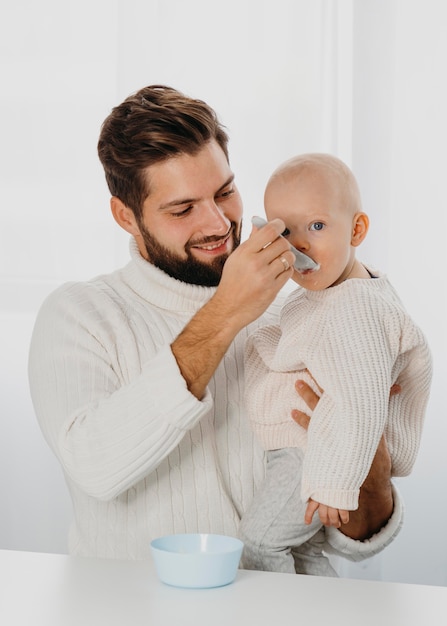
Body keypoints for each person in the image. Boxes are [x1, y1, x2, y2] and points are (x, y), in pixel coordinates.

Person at [28, 86, 403, 563]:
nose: (218, 223)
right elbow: (96, 469)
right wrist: (227, 311)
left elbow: (361, 538)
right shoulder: (80, 316)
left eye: (225, 192)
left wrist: (364, 441)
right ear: (126, 216)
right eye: (182, 209)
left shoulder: (298, 312)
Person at [239, 153, 432, 575]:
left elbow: (357, 402)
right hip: (312, 450)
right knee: (303, 551)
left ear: (357, 229)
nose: (301, 245)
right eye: (285, 231)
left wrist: (335, 481)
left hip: (312, 453)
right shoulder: (328, 293)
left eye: (318, 226)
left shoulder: (354, 307)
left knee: (258, 541)